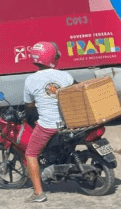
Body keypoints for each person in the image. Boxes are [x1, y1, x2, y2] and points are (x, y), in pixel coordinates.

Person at [23, 42, 74, 204]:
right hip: (68, 123)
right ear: (54, 57)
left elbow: (29, 104)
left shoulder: (31, 80)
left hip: (48, 126)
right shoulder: (65, 76)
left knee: (30, 154)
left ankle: (38, 193)